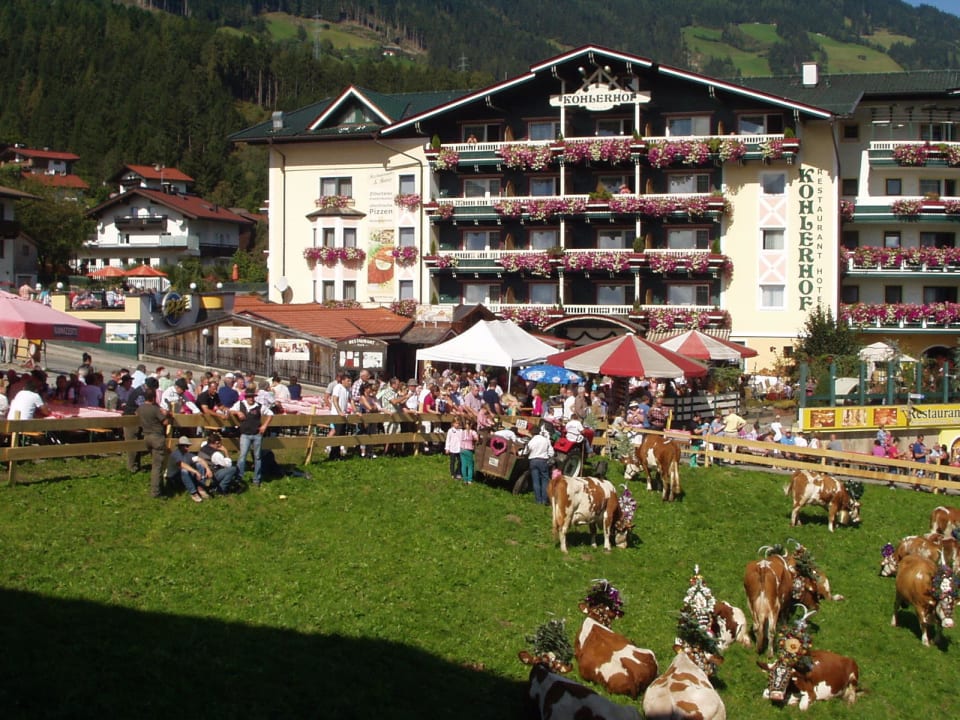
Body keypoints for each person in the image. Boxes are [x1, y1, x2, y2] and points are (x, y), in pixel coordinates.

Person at [230, 386, 273, 487]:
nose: (251, 398)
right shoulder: (240, 404)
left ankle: (256, 479)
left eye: (252, 396)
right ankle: (239, 477)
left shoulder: (259, 406)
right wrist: (238, 412)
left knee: (257, 457)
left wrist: (264, 425)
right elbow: (230, 411)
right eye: (249, 397)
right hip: (245, 434)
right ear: (246, 397)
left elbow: (270, 414)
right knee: (242, 456)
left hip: (257, 434)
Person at [136, 386, 169, 498]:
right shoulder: (155, 409)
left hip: (146, 436)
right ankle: (156, 492)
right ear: (154, 398)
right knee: (157, 466)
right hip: (157, 437)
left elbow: (137, 414)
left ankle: (160, 487)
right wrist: (166, 414)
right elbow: (165, 422)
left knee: (155, 463)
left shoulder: (140, 408)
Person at [168, 436, 210, 503]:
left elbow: (200, 459)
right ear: (180, 446)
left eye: (188, 446)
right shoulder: (175, 454)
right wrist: (195, 472)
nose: (187, 447)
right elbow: (182, 465)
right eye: (186, 446)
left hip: (184, 476)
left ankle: (200, 488)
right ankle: (193, 493)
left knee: (199, 464)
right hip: (174, 478)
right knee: (184, 470)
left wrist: (207, 469)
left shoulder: (188, 454)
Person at [525, 425, 554, 505]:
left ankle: (538, 500)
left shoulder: (531, 441)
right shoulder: (546, 440)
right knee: (545, 480)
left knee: (535, 481)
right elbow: (551, 452)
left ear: (532, 433)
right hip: (543, 460)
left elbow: (526, 451)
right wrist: (548, 457)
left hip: (533, 460)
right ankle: (544, 500)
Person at [459, 418, 478, 484]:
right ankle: (469, 480)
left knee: (463, 465)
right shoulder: (473, 432)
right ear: (471, 425)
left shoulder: (462, 432)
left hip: (461, 449)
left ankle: (465, 479)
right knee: (470, 465)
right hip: (468, 450)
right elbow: (477, 439)